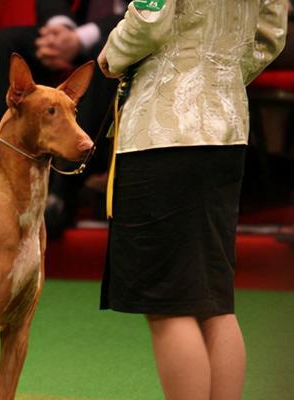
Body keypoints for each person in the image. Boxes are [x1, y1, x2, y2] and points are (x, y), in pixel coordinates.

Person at [97, 1, 287, 399]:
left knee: (171, 305)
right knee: (213, 300)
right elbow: (271, 34)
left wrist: (111, 55)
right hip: (227, 126)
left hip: (163, 133)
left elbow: (150, 19)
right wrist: (222, 74)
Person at [0, 0, 126, 235]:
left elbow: (149, 11)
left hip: (121, 34)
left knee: (108, 55)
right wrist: (59, 29)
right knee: (5, 43)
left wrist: (80, 39)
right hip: (68, 29)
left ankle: (61, 193)